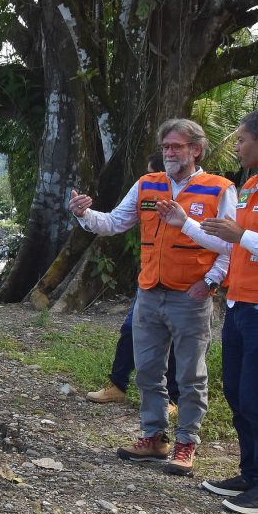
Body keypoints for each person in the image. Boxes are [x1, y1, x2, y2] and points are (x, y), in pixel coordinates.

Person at [157, 107, 258, 514]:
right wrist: (187, 226)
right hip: (242, 304)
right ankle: (250, 473)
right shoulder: (252, 185)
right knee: (236, 392)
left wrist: (242, 234)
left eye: (241, 140)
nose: (236, 147)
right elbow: (232, 244)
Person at [68, 119, 236, 476]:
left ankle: (186, 443)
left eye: (176, 146)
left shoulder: (219, 190)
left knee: (190, 375)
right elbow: (114, 222)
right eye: (165, 147)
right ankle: (154, 437)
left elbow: (230, 245)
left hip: (190, 296)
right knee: (147, 370)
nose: (169, 153)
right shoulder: (148, 184)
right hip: (149, 292)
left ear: (196, 150)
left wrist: (210, 281)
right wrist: (85, 214)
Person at [87, 152, 180, 408]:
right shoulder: (145, 189)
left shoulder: (206, 192)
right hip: (149, 282)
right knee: (130, 331)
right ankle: (118, 385)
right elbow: (114, 221)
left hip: (181, 286)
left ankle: (172, 398)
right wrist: (85, 214)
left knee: (173, 340)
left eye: (150, 171)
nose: (147, 176)